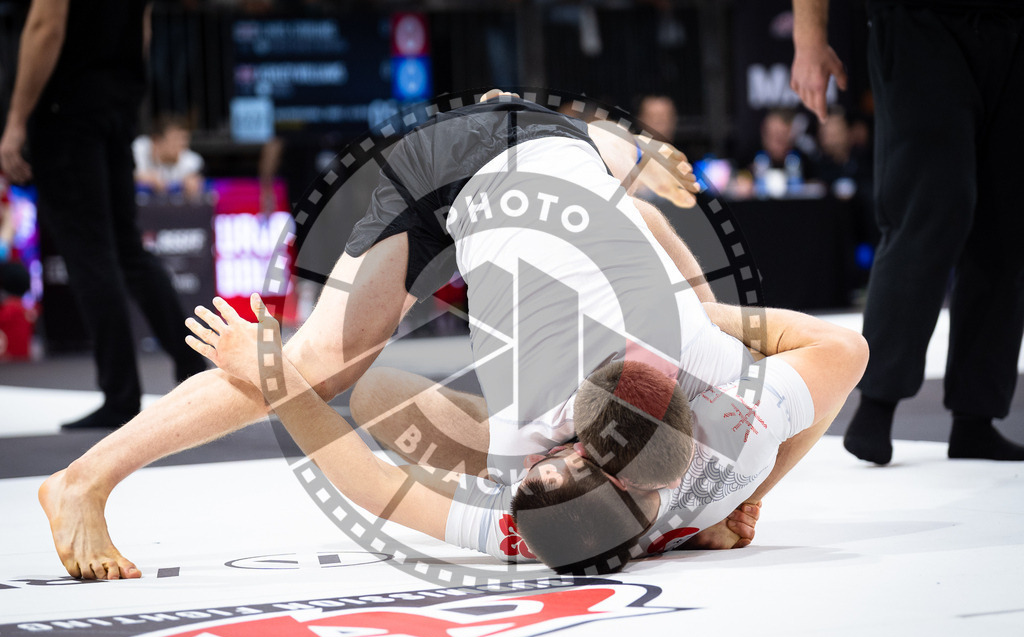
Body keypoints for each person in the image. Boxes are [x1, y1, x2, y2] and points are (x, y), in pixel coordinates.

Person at [32, 90, 706, 580]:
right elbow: (378, 484)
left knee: (598, 184)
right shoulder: (543, 430)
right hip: (480, 162)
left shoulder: (668, 388)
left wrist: (723, 513)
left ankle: (616, 146)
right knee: (313, 365)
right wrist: (271, 374)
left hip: (542, 141)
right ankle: (83, 480)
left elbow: (664, 252)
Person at [181, 293, 866, 573]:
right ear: (621, 474)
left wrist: (274, 377)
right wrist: (701, 314)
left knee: (377, 396)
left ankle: (489, 437)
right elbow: (847, 351)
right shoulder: (735, 436)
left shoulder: (525, 529)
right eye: (573, 455)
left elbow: (370, 485)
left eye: (547, 465)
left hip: (540, 429)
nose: (560, 452)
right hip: (692, 405)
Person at [791, 0, 1024, 464]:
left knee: (1009, 220)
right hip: (919, 21)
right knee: (929, 206)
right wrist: (809, 38)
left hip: (1013, 26)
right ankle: (877, 405)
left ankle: (976, 418)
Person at [0, 0, 206, 430]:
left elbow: (46, 26)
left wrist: (17, 119)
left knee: (91, 255)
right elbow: (143, 28)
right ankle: (192, 370)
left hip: (65, 110)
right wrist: (122, 98)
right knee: (128, 250)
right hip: (115, 107)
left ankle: (121, 395)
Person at [132, 115, 205, 201]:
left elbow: (194, 181)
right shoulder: (138, 148)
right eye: (175, 139)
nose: (181, 146)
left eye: (184, 140)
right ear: (156, 140)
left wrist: (192, 182)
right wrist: (144, 178)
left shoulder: (191, 160)